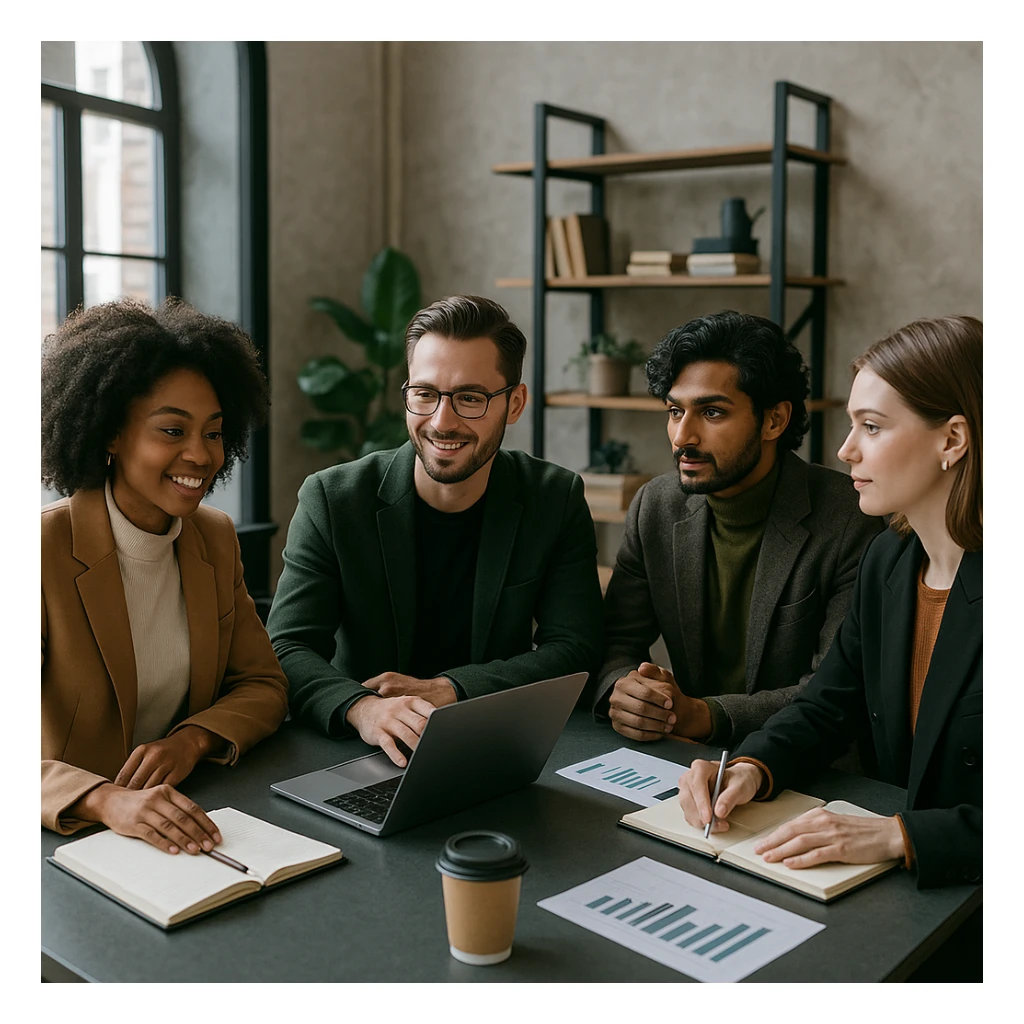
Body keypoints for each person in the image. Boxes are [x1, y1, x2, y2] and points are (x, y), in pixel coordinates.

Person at [677, 315, 982, 895]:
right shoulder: (888, 562)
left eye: (872, 427)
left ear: (952, 440)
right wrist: (750, 768)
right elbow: (825, 707)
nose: (845, 450)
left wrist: (900, 836)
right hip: (896, 899)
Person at [268, 295, 603, 766]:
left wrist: (453, 689)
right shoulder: (333, 498)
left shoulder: (554, 497)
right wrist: (363, 709)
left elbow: (576, 647)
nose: (442, 422)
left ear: (514, 403)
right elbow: (287, 646)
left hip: (495, 744)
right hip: (357, 751)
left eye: (470, 398)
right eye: (425, 394)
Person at [41, 297, 289, 856]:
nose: (199, 456)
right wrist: (104, 799)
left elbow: (263, 685)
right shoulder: (41, 551)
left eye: (214, 433)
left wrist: (192, 740)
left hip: (187, 818)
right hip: (64, 838)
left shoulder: (214, 538)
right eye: (172, 431)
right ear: (109, 433)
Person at [595, 311, 883, 756]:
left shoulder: (850, 517)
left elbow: (837, 690)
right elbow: (615, 643)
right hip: (682, 756)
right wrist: (624, 690)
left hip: (810, 769)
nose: (682, 437)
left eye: (711, 412)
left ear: (774, 420)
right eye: (675, 411)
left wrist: (707, 715)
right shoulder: (655, 505)